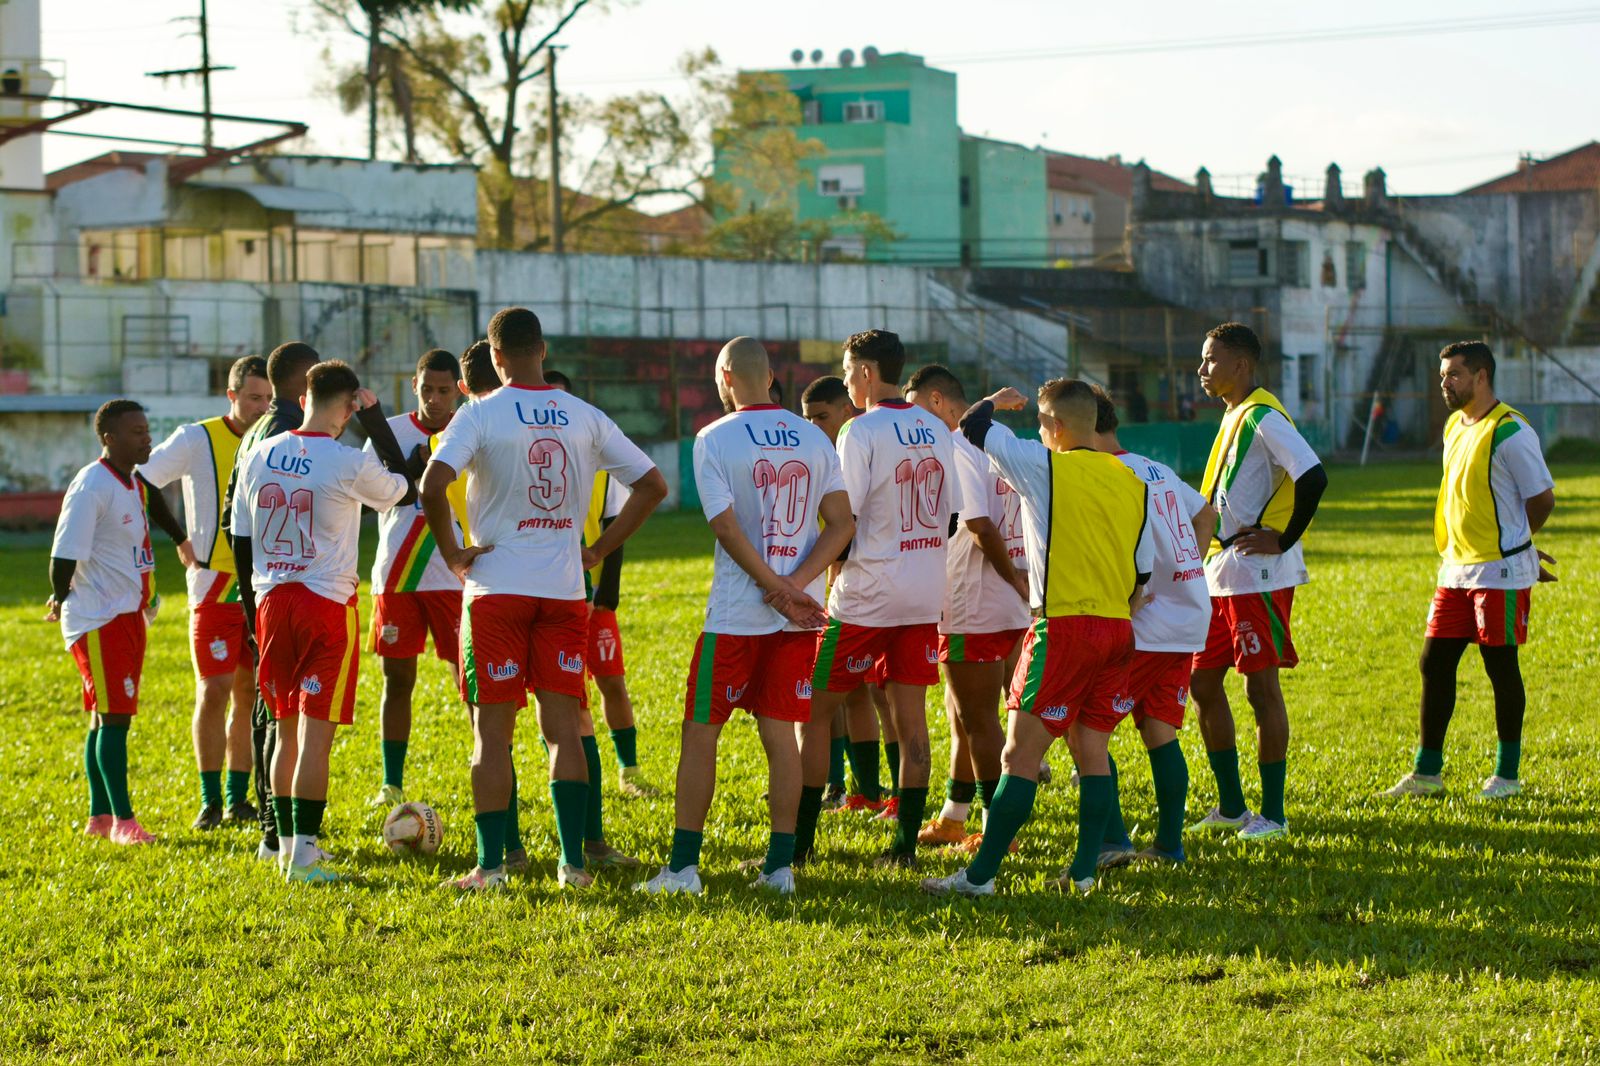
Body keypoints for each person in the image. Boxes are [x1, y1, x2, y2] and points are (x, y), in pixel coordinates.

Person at [422, 307, 667, 893]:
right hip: (562, 591)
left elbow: (432, 484)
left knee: (492, 734)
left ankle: (491, 867)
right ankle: (572, 865)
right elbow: (652, 485)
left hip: (497, 590)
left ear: (495, 356)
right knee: (564, 729)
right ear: (544, 350)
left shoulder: (480, 413)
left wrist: (454, 554)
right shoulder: (584, 414)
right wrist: (597, 549)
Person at [637, 338, 853, 895]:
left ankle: (683, 869)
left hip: (736, 615)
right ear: (771, 375)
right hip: (795, 617)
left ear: (727, 377)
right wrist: (795, 586)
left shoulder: (714, 436)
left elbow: (726, 527)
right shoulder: (813, 437)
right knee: (781, 735)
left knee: (700, 732)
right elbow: (842, 524)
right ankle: (779, 869)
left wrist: (775, 587)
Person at [922, 379, 1153, 898]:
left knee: (1018, 757)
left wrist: (994, 401)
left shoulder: (1045, 464)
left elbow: (973, 425)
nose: (1040, 432)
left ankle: (979, 878)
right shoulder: (1131, 480)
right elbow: (1142, 575)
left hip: (1063, 627)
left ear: (1057, 426)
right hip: (1118, 628)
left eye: (1042, 424)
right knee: (1092, 751)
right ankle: (1084, 873)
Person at [233, 360, 417, 883]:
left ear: (303, 398)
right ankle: (305, 856)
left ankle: (286, 847)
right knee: (315, 738)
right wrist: (375, 419)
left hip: (271, 601)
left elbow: (241, 535)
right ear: (348, 408)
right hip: (324, 604)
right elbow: (405, 487)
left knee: (285, 729)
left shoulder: (259, 450)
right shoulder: (346, 460)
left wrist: (251, 609)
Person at [797, 329, 960, 868]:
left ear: (866, 373)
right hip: (924, 595)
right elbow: (951, 517)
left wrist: (808, 577)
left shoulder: (859, 430)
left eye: (848, 372)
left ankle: (798, 847)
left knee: (812, 714)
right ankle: (903, 848)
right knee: (912, 722)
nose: (847, 382)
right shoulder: (936, 427)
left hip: (866, 596)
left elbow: (845, 520)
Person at [1383, 341, 1556, 800]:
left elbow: (1542, 499)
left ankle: (1507, 776)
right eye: (1442, 374)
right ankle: (1427, 774)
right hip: (1455, 570)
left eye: (1454, 374)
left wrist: (1519, 548)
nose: (1445, 382)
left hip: (1499, 572)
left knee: (1500, 666)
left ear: (1481, 376)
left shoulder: (1510, 430)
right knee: (1434, 662)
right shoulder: (1453, 426)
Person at [1189, 322, 1327, 842]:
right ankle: (1231, 806)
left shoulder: (1264, 416)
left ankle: (1273, 814)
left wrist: (1285, 538)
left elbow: (1313, 475)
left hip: (1258, 576)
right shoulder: (1235, 415)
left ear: (1241, 364)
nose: (1202, 369)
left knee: (1260, 687)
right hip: (1223, 573)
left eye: (1211, 359)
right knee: (1202, 682)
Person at [138, 355, 273, 829]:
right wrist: (179, 537)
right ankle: (210, 800)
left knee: (250, 691)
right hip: (212, 584)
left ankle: (238, 799)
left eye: (268, 398)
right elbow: (143, 479)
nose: (262, 407)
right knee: (213, 691)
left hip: (262, 583)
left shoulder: (277, 438)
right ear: (231, 395)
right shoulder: (196, 438)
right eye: (253, 398)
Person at [902, 366, 1030, 855]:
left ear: (937, 401)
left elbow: (978, 525)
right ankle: (954, 817)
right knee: (963, 715)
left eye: (916, 409)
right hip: (1011, 603)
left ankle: (997, 831)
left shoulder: (957, 444)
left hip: (974, 601)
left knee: (979, 722)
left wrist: (1011, 576)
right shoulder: (1003, 440)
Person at [49, 400, 188, 846]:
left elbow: (155, 506)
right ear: (109, 438)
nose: (147, 439)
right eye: (136, 432)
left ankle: (100, 816)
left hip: (125, 614)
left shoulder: (130, 480)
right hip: (100, 617)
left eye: (147, 430)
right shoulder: (92, 484)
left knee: (102, 717)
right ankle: (124, 823)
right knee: (114, 719)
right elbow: (63, 553)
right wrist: (60, 595)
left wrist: (180, 539)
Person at [1090, 385, 1215, 866]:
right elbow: (1206, 514)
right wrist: (1187, 569)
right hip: (1185, 617)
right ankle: (1168, 845)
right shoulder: (1155, 467)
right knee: (1160, 731)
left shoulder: (1105, 474)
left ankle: (1113, 841)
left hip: (1144, 624)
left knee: (1087, 730)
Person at [222, 341, 320, 862]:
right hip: (288, 592)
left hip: (266, 591)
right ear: (306, 379)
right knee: (278, 713)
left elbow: (231, 522)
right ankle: (273, 832)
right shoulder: (288, 434)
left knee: (274, 709)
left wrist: (250, 596)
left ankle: (273, 828)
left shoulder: (257, 430)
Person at [546, 369, 650, 802]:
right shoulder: (529, 458)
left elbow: (614, 530)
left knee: (611, 680)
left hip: (592, 597)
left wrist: (605, 597)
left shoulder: (600, 468)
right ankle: (570, 774)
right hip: (548, 595)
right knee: (564, 694)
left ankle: (630, 768)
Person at [367, 348, 464, 809]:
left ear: (459, 390)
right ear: (414, 386)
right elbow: (368, 496)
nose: (435, 399)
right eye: (427, 389)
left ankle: (487, 765)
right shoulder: (387, 432)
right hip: (398, 574)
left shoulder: (471, 429)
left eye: (444, 390)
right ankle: (391, 781)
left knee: (471, 680)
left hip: (456, 573)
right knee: (397, 678)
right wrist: (408, 471)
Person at [800, 375, 887, 810]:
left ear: (845, 412)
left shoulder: (854, 449)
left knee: (849, 693)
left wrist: (834, 572)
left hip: (854, 590)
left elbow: (849, 525)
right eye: (808, 418)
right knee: (846, 694)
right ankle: (844, 786)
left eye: (822, 416)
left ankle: (863, 789)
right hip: (830, 588)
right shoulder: (816, 457)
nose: (814, 426)